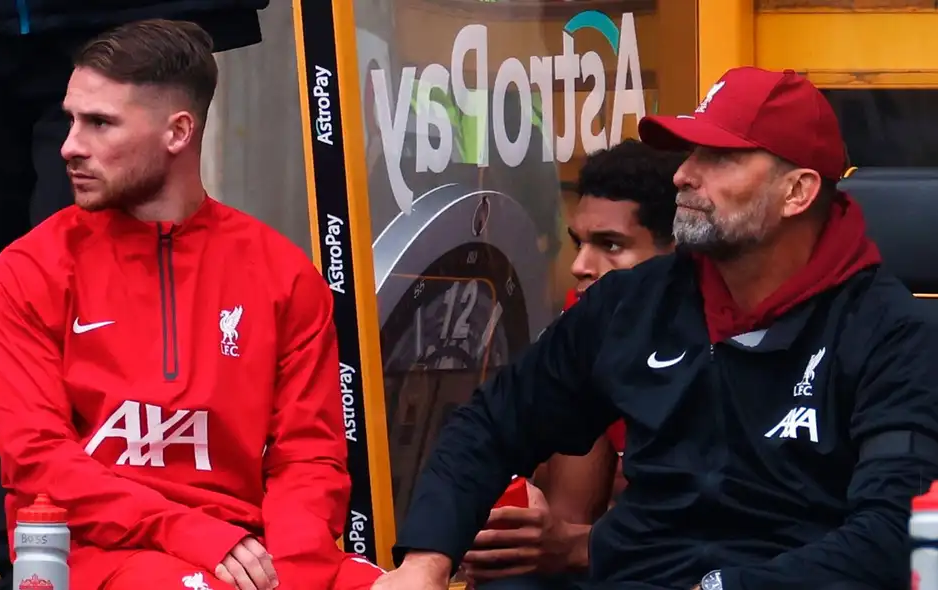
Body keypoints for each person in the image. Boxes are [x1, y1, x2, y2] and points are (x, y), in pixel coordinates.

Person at [372, 66, 938, 590]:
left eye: (718, 157)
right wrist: (424, 561)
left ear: (798, 192)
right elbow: (493, 423)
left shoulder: (890, 332)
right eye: (691, 152)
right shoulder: (636, 302)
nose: (685, 174)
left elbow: (895, 533)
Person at [0, 19, 384, 590]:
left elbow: (309, 461)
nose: (70, 146)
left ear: (178, 132)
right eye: (71, 120)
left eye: (99, 124)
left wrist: (295, 573)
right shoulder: (30, 269)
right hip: (101, 552)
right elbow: (39, 461)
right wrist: (194, 535)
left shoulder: (281, 272)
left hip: (251, 552)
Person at [0, 2, 268, 583]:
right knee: (12, 333)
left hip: (112, 20)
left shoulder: (279, 273)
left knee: (106, 309)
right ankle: (33, 557)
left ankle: (150, 540)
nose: (74, 146)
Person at [464, 139, 684, 589]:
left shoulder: (716, 335)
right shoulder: (585, 319)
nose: (581, 265)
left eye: (611, 245)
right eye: (578, 243)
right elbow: (569, 516)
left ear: (677, 253)